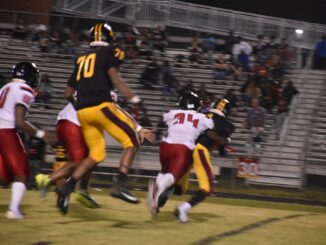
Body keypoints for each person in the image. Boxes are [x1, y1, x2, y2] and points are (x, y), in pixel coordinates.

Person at [55, 23, 154, 214]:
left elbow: (67, 93)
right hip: (101, 106)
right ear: (109, 38)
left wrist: (80, 106)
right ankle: (120, 184)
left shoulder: (81, 59)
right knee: (132, 139)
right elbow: (115, 79)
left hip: (83, 113)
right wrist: (134, 99)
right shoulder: (110, 52)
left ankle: (66, 188)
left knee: (96, 154)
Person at [0, 62, 55, 219]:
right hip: (6, 130)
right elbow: (20, 121)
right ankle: (13, 210)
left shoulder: (5, 87)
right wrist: (41, 134)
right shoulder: (24, 90)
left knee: (4, 176)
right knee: (22, 172)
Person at [147, 91, 214, 215]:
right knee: (173, 177)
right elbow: (211, 129)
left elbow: (162, 118)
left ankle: (155, 201)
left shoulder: (172, 113)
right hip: (183, 148)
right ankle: (158, 190)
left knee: (164, 171)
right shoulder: (202, 118)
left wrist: (158, 130)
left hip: (165, 146)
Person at [175, 99, 235, 223]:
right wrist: (226, 142)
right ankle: (183, 208)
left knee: (180, 187)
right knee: (206, 188)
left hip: (187, 148)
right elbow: (218, 142)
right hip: (201, 150)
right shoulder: (226, 123)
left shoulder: (201, 115)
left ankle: (159, 193)